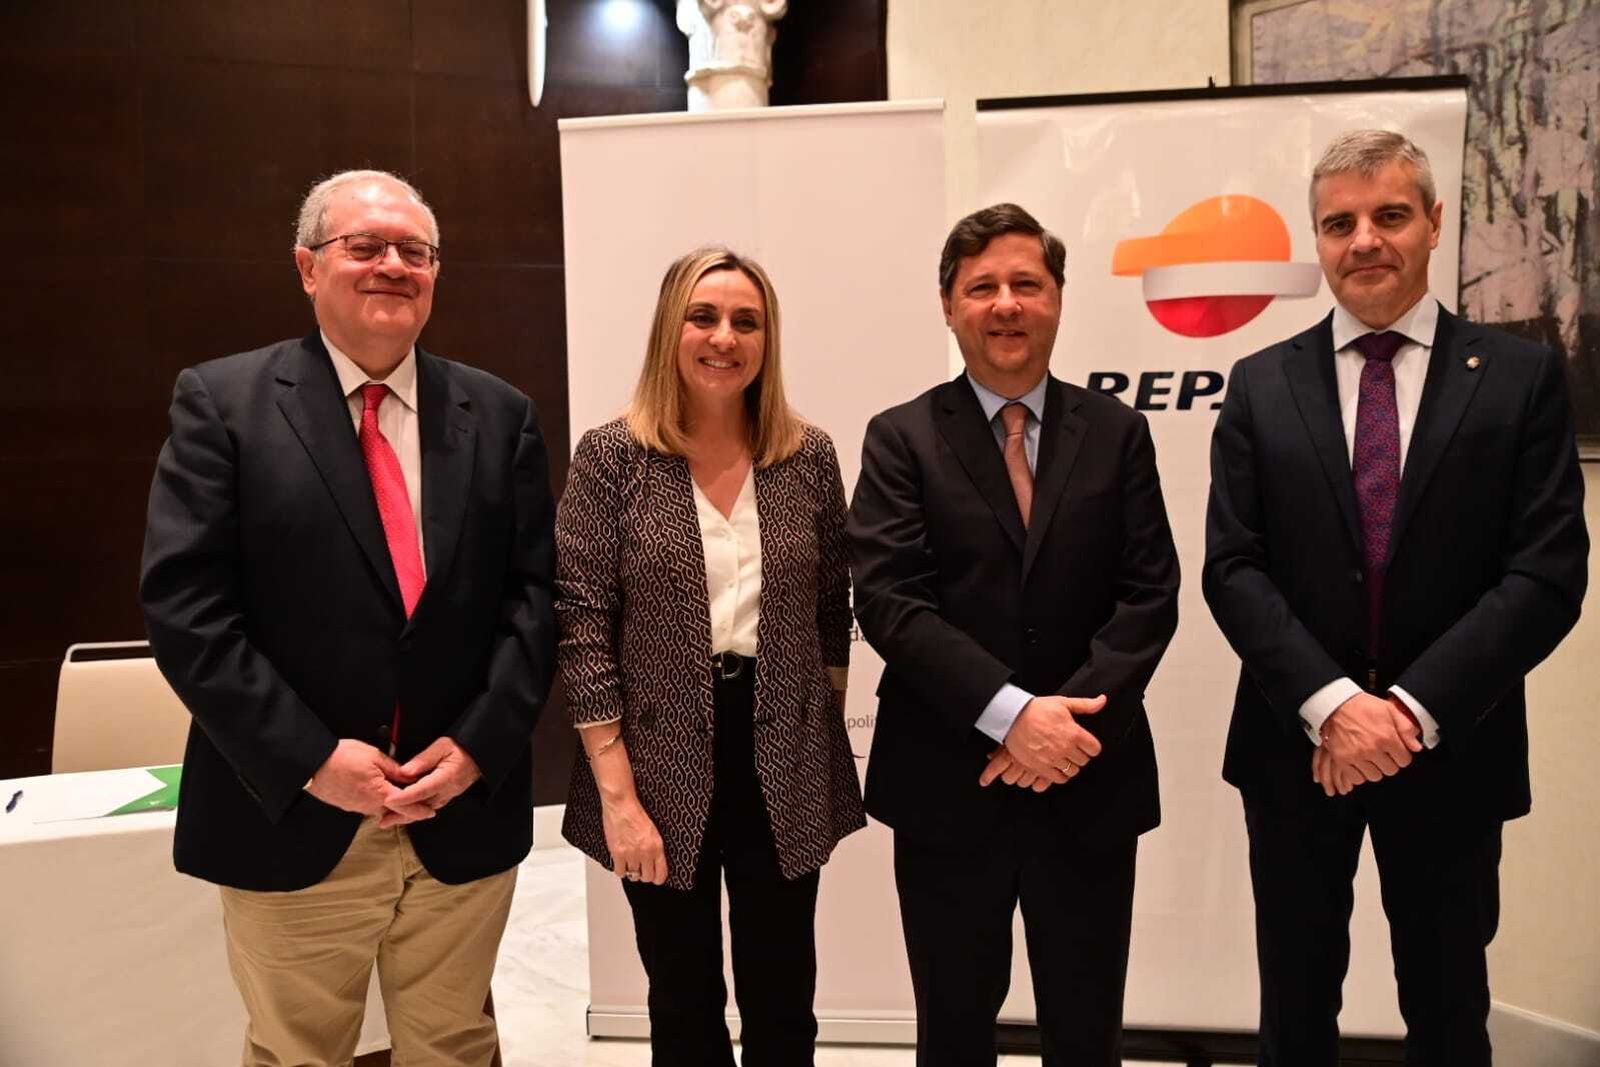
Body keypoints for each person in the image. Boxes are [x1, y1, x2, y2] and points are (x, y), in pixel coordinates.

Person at [140, 169, 556, 1066]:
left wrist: (479, 745)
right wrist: (313, 758)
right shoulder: (224, 405)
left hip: (458, 814)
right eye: (364, 247)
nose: (392, 266)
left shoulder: (501, 414)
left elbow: (534, 603)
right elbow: (187, 612)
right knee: (299, 1052)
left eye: (415, 251)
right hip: (292, 813)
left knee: (454, 1043)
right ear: (306, 267)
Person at [1203, 130, 1588, 1067]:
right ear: (1318, 239)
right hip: (1298, 749)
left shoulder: (1520, 376)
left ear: (1433, 222)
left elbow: (1546, 573)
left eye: (1389, 216)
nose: (1364, 240)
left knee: (1449, 1004)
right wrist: (1336, 708)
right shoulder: (1260, 383)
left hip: (1454, 750)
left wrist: (1406, 715)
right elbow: (1233, 567)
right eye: (1340, 223)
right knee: (1294, 1009)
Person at [847, 203, 1181, 1066]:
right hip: (948, 785)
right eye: (982, 286)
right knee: (954, 1031)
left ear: (1058, 300)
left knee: (1087, 1027)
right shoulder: (902, 438)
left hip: (1088, 777)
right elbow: (890, 601)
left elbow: (1150, 595)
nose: (1005, 303)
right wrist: (1009, 714)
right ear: (949, 305)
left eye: (1025, 283)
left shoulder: (1119, 433)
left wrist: (1061, 727)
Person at [556, 246, 865, 1066]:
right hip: (651, 761)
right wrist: (617, 797)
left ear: (767, 339)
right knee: (683, 1004)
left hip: (781, 753)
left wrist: (817, 734)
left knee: (783, 1000)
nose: (724, 336)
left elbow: (833, 611)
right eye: (703, 316)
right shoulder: (611, 457)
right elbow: (584, 626)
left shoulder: (810, 457)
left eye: (745, 320)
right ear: (670, 330)